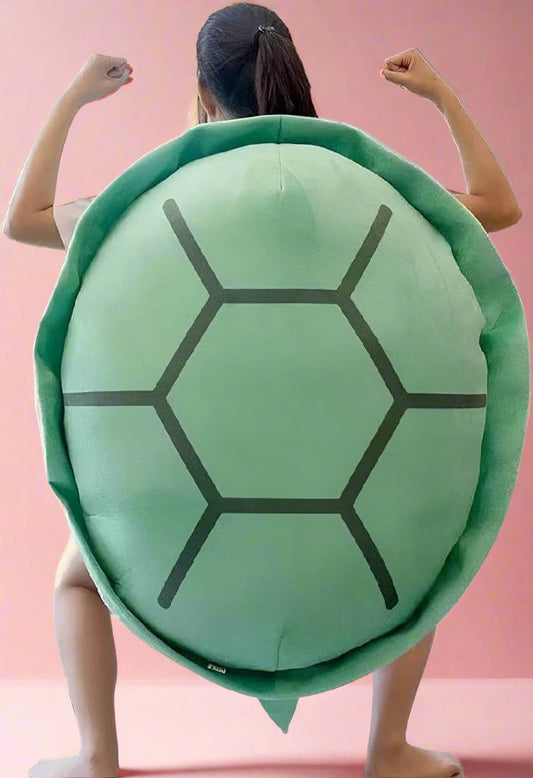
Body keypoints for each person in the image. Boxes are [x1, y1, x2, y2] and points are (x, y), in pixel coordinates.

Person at [3, 3, 522, 778]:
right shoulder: (363, 199)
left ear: (202, 92)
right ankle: (388, 750)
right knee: (420, 558)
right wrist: (441, 96)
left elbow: (23, 219)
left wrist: (75, 97)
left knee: (77, 581)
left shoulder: (156, 210)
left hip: (186, 522)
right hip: (347, 518)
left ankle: (95, 755)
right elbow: (499, 207)